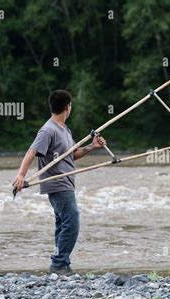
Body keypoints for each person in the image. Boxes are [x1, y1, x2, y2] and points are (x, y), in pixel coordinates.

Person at [12, 90, 106, 275]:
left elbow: (71, 155)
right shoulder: (48, 130)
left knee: (62, 223)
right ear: (67, 107)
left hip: (67, 182)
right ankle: (58, 263)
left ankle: (63, 264)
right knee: (72, 221)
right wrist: (21, 175)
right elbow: (32, 151)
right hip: (58, 184)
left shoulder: (65, 129)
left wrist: (92, 147)